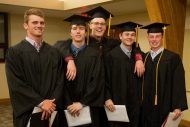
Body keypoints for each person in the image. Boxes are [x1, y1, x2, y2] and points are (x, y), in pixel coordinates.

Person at [5, 8, 65, 127]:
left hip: (51, 110)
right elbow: (16, 83)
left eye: (42, 23)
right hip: (28, 110)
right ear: (25, 25)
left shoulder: (54, 52)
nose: (39, 25)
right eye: (35, 22)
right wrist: (41, 102)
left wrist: (51, 103)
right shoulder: (14, 52)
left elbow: (60, 80)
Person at [54, 14, 105, 127]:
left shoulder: (94, 55)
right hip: (66, 106)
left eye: (81, 29)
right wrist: (69, 104)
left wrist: (82, 103)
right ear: (70, 32)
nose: (78, 32)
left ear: (86, 32)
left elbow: (97, 81)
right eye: (74, 28)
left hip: (87, 106)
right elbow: (58, 80)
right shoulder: (60, 53)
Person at [140, 22, 188, 127]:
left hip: (164, 105)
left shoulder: (173, 58)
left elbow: (178, 82)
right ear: (148, 38)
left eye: (157, 36)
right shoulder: (144, 57)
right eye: (151, 37)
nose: (154, 39)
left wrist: (178, 106)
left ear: (162, 37)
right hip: (146, 106)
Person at [105, 21, 142, 127]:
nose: (129, 37)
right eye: (127, 34)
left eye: (132, 35)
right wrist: (107, 98)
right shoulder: (111, 56)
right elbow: (105, 78)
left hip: (135, 103)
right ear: (120, 36)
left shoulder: (140, 56)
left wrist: (139, 58)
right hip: (117, 103)